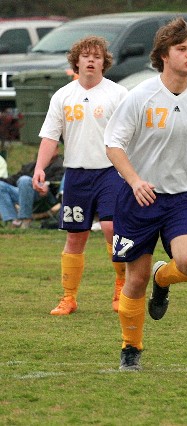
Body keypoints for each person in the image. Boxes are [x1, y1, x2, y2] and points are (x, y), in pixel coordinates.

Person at [104, 18, 187, 371]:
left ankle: (162, 278)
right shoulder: (140, 96)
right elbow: (113, 144)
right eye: (182, 49)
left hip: (182, 198)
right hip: (140, 197)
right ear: (164, 55)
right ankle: (130, 349)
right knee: (135, 279)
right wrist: (135, 181)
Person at [32, 36, 128, 315]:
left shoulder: (119, 94)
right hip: (76, 174)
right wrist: (39, 167)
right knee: (76, 236)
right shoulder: (63, 96)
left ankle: (122, 287)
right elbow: (50, 137)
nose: (91, 61)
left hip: (111, 172)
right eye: (86, 56)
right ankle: (68, 298)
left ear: (104, 62)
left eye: (97, 56)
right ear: (76, 61)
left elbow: (132, 135)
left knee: (111, 228)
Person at [0, 147, 64, 228]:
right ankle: (13, 220)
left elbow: (60, 182)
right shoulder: (31, 166)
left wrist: (46, 184)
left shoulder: (61, 165)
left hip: (46, 196)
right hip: (25, 194)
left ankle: (25, 219)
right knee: (1, 185)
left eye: (50, 148)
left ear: (57, 150)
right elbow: (14, 179)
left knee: (24, 180)